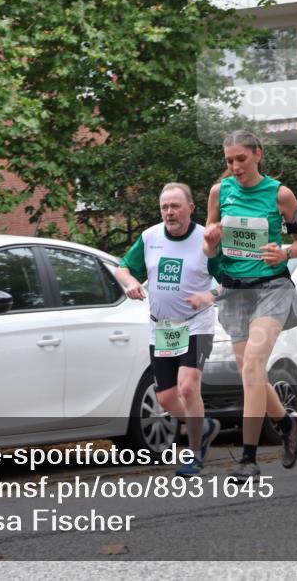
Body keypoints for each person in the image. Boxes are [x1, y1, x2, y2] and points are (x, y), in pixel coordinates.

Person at [203, 129, 297, 480]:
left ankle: (248, 459)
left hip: (272, 289)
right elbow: (208, 242)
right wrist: (211, 241)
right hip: (234, 292)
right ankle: (286, 424)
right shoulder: (220, 192)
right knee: (250, 373)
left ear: (258, 155)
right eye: (229, 161)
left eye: (241, 159)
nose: (235, 166)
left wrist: (285, 252)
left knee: (252, 364)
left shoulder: (281, 195)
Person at [116, 182, 221, 477]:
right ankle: (204, 426)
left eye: (175, 206)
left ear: (191, 208)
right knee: (165, 398)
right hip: (162, 327)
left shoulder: (206, 239)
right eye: (164, 207)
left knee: (188, 386)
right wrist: (131, 283)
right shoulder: (150, 237)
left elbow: (230, 282)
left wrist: (208, 296)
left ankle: (195, 454)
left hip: (195, 322)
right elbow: (122, 268)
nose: (169, 212)